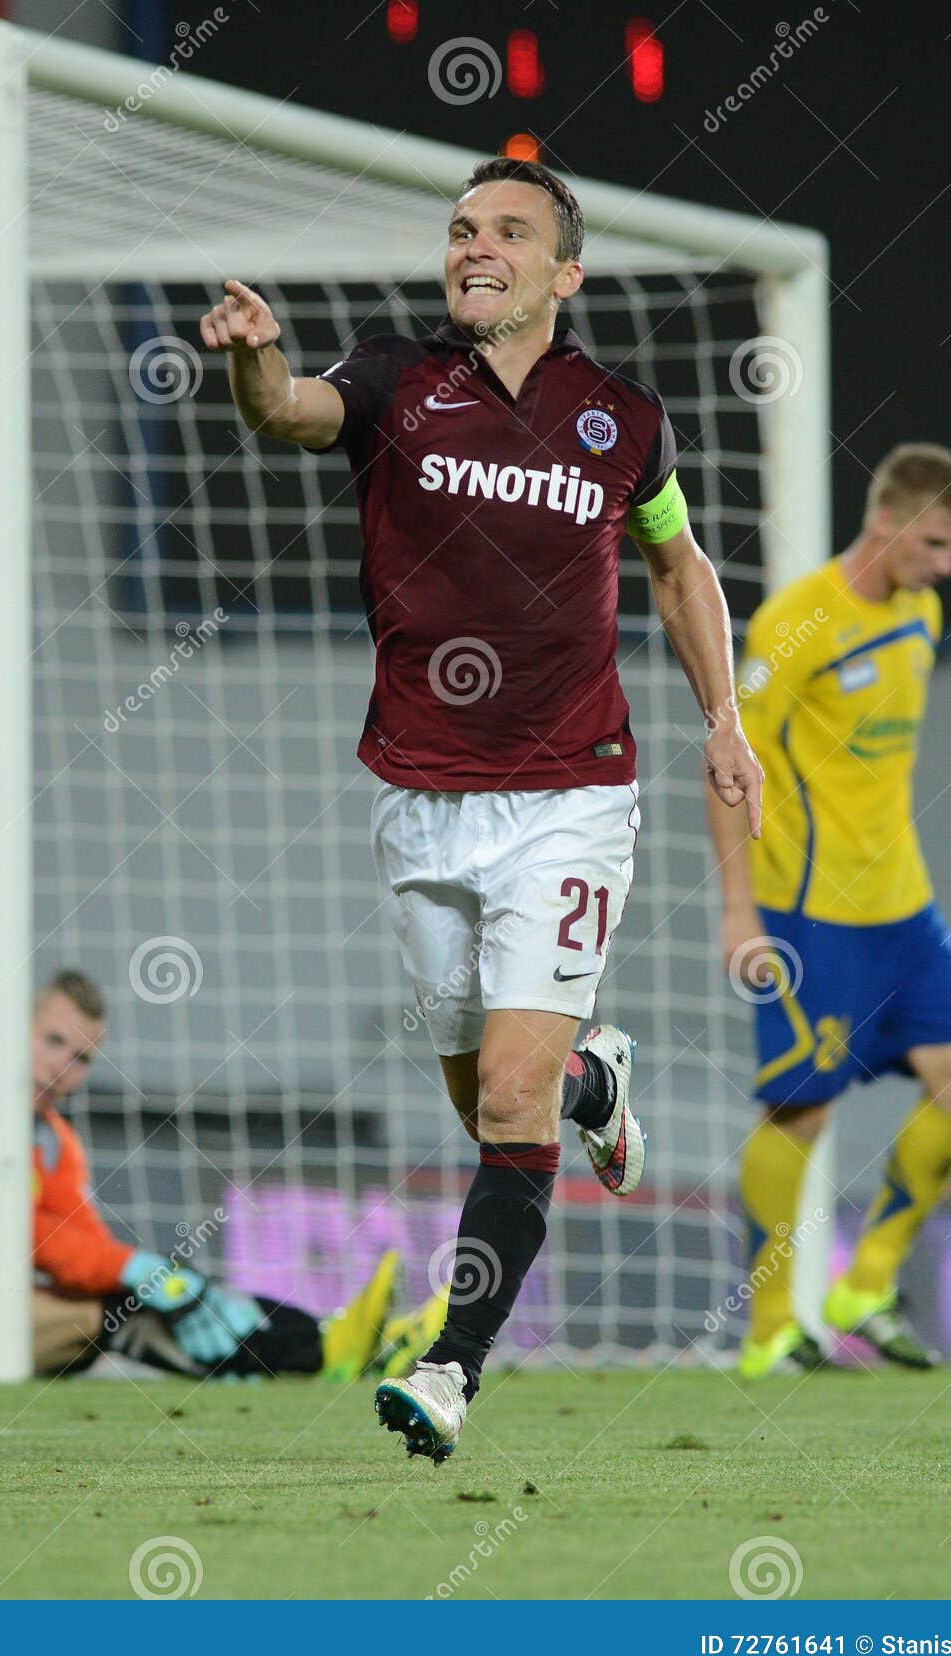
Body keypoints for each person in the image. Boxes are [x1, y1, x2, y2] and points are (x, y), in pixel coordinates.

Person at [201, 157, 759, 1460]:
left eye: (508, 231)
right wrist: (251, 357)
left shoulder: (622, 419)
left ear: (565, 271)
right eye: (461, 229)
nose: (476, 246)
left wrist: (721, 718)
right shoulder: (397, 382)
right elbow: (282, 412)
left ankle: (449, 1369)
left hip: (571, 793)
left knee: (504, 1099)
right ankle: (592, 1078)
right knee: (492, 1101)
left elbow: (679, 568)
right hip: (418, 800)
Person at [707, 444, 951, 1378]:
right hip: (807, 912)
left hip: (902, 907)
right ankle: (764, 1337)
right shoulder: (796, 625)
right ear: (887, 523)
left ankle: (864, 1286)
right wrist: (737, 913)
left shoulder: (920, 614)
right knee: (801, 1112)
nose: (946, 565)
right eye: (938, 543)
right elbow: (725, 765)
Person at [0, 969, 445, 1380]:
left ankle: (330, 1340)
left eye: (82, 1057)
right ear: (12, 1028)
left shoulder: (54, 1142)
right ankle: (325, 1352)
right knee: (127, 1296)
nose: (63, 1067)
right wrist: (135, 1272)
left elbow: (83, 1240)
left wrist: (160, 1276)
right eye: (53, 1041)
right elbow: (29, 1235)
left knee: (151, 1298)